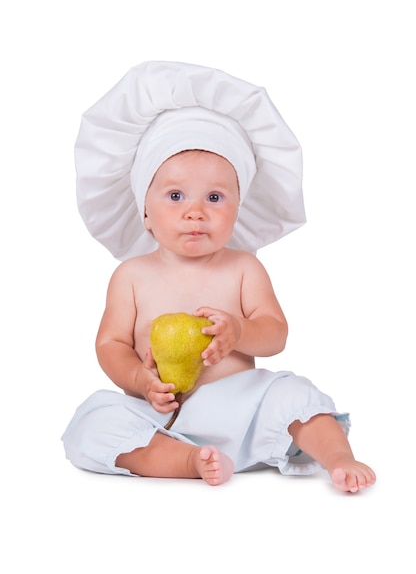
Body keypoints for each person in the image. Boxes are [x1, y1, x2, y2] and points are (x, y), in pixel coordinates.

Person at [62, 61, 376, 492]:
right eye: (175, 196)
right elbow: (110, 343)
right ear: (145, 212)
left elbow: (275, 334)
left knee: (292, 393)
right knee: (92, 422)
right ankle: (188, 459)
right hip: (159, 414)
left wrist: (239, 333)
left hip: (238, 408)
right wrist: (140, 380)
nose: (195, 211)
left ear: (238, 209)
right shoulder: (131, 276)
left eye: (215, 196)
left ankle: (338, 456)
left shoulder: (244, 267)